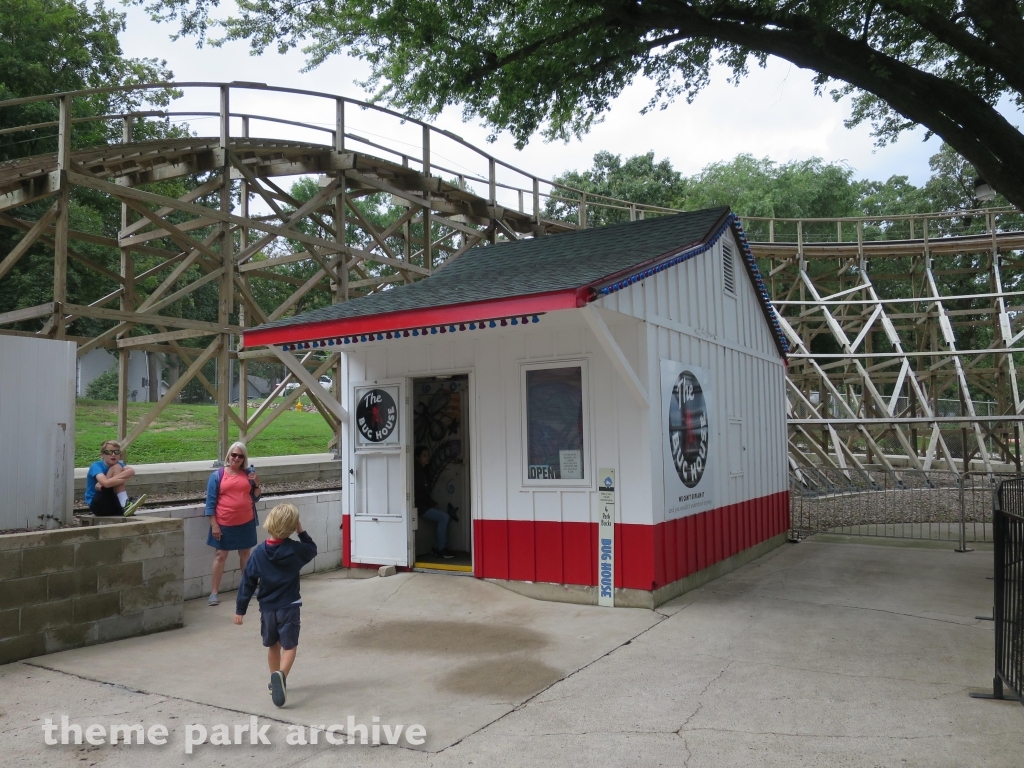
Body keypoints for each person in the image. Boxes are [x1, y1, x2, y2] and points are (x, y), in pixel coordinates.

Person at [233, 503, 317, 708]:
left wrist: (240, 609)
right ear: (292, 526)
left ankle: (274, 679)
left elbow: (248, 582)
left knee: (273, 645)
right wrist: (301, 530)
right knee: (289, 646)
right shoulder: (295, 550)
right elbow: (312, 549)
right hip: (289, 605)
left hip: (267, 608)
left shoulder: (259, 552)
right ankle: (282, 675)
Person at [205, 441, 261, 606]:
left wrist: (257, 483)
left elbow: (256, 497)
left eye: (240, 456)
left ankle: (248, 587)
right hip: (224, 523)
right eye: (233, 454)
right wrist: (214, 525)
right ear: (228, 455)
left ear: (244, 458)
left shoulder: (248, 474)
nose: (236, 458)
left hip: (246, 522)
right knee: (220, 556)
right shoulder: (218, 475)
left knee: (245, 555)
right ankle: (214, 592)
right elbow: (210, 503)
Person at [84, 440, 146, 517]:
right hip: (98, 504)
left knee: (117, 467)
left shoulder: (120, 464)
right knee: (116, 468)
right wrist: (125, 479)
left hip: (113, 503)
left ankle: (125, 505)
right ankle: (125, 503)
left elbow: (131, 471)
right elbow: (106, 484)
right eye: (109, 452)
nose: (113, 455)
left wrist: (109, 479)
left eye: (117, 452)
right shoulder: (96, 466)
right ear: (102, 455)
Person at [414, 446, 454, 558]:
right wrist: (432, 503)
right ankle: (441, 549)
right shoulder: (417, 473)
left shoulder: (423, 470)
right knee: (444, 517)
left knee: (443, 517)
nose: (427, 458)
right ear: (417, 458)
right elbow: (419, 494)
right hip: (420, 506)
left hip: (424, 504)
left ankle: (436, 548)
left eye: (428, 455)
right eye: (424, 456)